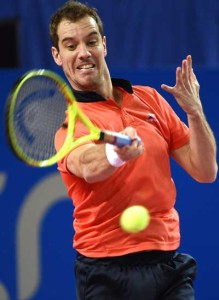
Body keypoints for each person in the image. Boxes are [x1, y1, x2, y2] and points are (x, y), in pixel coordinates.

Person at [49, 1, 218, 299]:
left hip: (168, 264)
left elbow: (206, 171)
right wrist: (116, 153)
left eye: (90, 41)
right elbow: (88, 165)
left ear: (104, 44)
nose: (83, 53)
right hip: (105, 271)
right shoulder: (67, 124)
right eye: (70, 45)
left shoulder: (150, 99)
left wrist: (195, 111)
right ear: (58, 56)